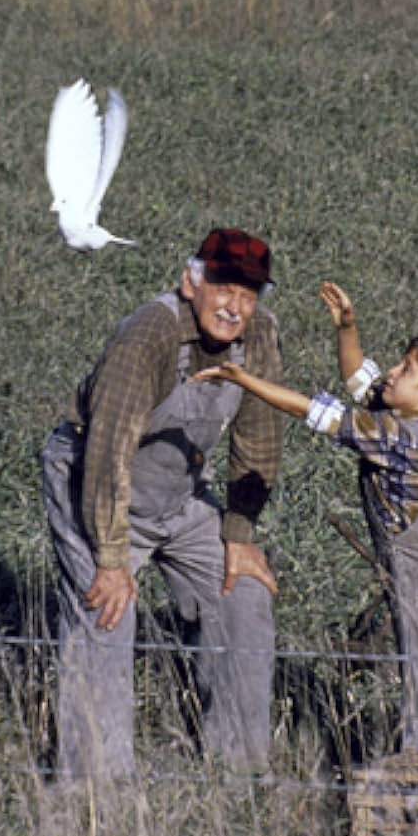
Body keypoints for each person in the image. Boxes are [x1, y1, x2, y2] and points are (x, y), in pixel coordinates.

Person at [194, 280, 418, 756]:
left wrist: (244, 380)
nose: (393, 370)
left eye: (407, 369)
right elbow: (358, 380)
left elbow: (314, 412)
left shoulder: (395, 438)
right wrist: (347, 327)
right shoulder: (416, 430)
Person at [42, 228, 284, 784]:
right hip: (96, 486)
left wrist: (240, 532)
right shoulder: (149, 335)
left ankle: (240, 776)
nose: (235, 307)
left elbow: (261, 433)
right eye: (224, 287)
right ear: (191, 281)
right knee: (108, 615)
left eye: (249, 294)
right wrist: (110, 558)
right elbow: (108, 449)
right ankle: (98, 792)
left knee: (243, 596)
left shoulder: (261, 336)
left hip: (179, 494)